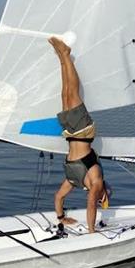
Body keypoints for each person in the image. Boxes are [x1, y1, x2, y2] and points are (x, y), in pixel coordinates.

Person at [49, 36, 107, 234]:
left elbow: (58, 197)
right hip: (83, 131)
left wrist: (61, 217)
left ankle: (61, 58)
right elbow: (91, 206)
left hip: (69, 133)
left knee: (65, 94)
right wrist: (92, 231)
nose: (97, 197)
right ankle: (65, 54)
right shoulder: (95, 179)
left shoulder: (73, 180)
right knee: (73, 94)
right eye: (101, 196)